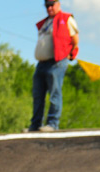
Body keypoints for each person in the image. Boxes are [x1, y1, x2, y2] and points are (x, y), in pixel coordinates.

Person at [28, 0, 79, 133]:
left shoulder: (66, 18)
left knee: (54, 93)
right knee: (38, 94)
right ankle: (35, 124)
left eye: (52, 4)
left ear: (58, 4)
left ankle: (52, 123)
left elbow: (75, 38)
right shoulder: (45, 22)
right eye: (47, 5)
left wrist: (70, 53)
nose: (49, 8)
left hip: (56, 62)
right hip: (42, 63)